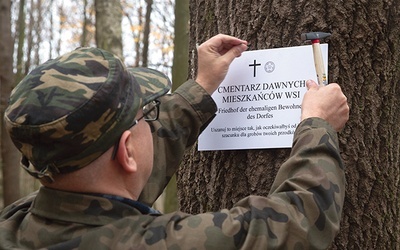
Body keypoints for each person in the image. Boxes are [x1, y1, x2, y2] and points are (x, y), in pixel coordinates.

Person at [0, 34, 349, 249]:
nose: (153, 121)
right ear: (127, 150)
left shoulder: (15, 223)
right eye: (146, 115)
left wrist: (201, 86)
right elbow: (299, 219)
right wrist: (317, 125)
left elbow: (119, 178)